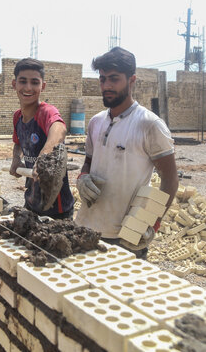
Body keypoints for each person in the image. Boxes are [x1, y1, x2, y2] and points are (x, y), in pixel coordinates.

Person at [75, 47, 178, 258]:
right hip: (85, 229)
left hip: (124, 237)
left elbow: (170, 179)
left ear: (132, 80)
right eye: (102, 79)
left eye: (114, 79)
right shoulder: (96, 122)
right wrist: (83, 177)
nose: (106, 86)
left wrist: (152, 222)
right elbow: (89, 162)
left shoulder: (150, 125)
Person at [9, 58, 75, 219]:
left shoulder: (46, 112)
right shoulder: (18, 117)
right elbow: (18, 142)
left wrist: (43, 158)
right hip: (31, 202)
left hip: (57, 209)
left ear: (42, 86)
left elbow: (59, 129)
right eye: (23, 81)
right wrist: (16, 159)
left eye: (35, 82)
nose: (28, 88)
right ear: (14, 84)